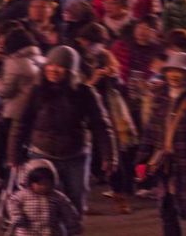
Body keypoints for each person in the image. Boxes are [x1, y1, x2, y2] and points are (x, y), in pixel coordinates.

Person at [9, 45, 116, 220]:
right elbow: (21, 123)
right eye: (50, 65)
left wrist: (109, 156)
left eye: (60, 66)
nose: (54, 70)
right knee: (43, 203)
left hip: (76, 155)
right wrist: (14, 154)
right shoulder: (36, 91)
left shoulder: (84, 93)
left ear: (71, 70)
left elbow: (101, 125)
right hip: (42, 154)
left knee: (74, 202)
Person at [138, 52, 186, 236]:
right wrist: (141, 160)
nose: (174, 75)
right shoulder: (160, 98)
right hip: (163, 164)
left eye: (180, 71)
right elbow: (150, 132)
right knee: (166, 212)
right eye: (171, 70)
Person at [0, 27, 42, 191]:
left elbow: (6, 90)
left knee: (9, 150)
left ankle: (11, 183)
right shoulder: (37, 57)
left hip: (12, 111)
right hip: (31, 111)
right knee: (24, 148)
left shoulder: (15, 62)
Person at [2, 158, 83, 236]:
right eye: (40, 184)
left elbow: (68, 212)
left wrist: (73, 227)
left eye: (47, 183)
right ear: (30, 182)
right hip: (26, 233)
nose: (44, 187)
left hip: (50, 233)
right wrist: (17, 216)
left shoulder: (58, 197)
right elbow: (12, 204)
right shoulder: (21, 196)